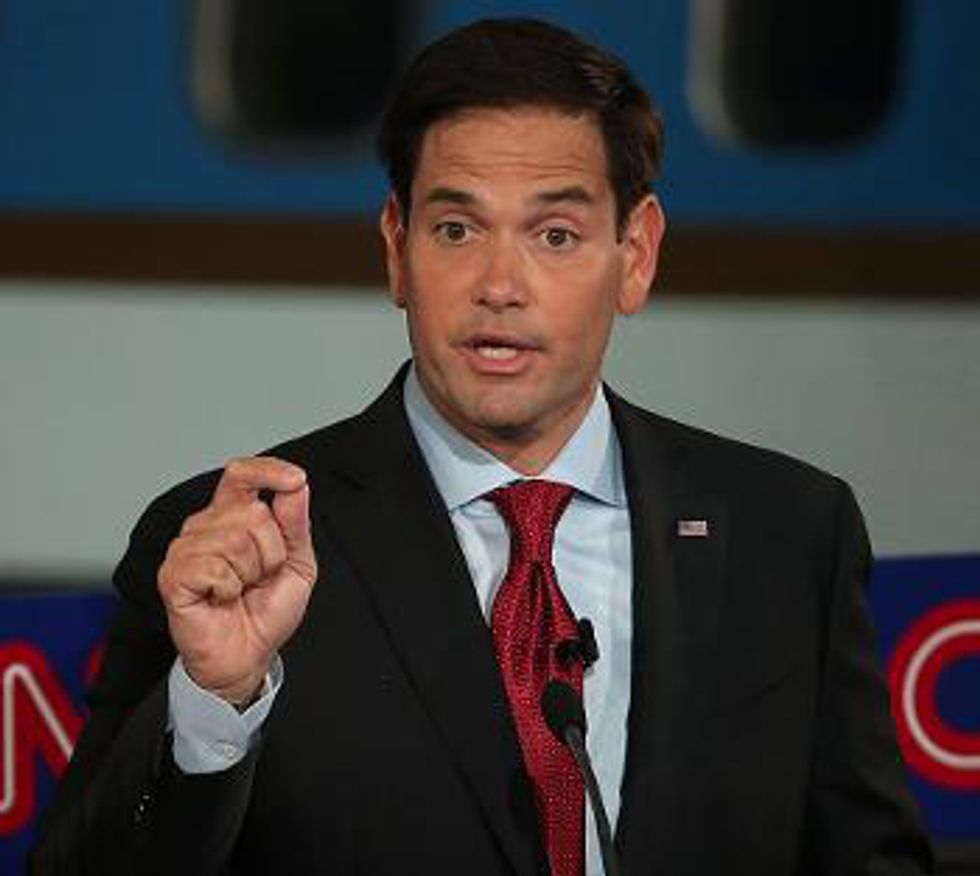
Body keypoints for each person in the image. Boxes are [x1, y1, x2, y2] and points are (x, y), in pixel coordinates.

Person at [30, 17, 932, 876]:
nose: (500, 285)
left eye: (555, 235)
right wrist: (214, 705)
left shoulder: (787, 533)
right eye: (456, 229)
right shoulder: (239, 547)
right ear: (397, 248)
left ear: (637, 255)